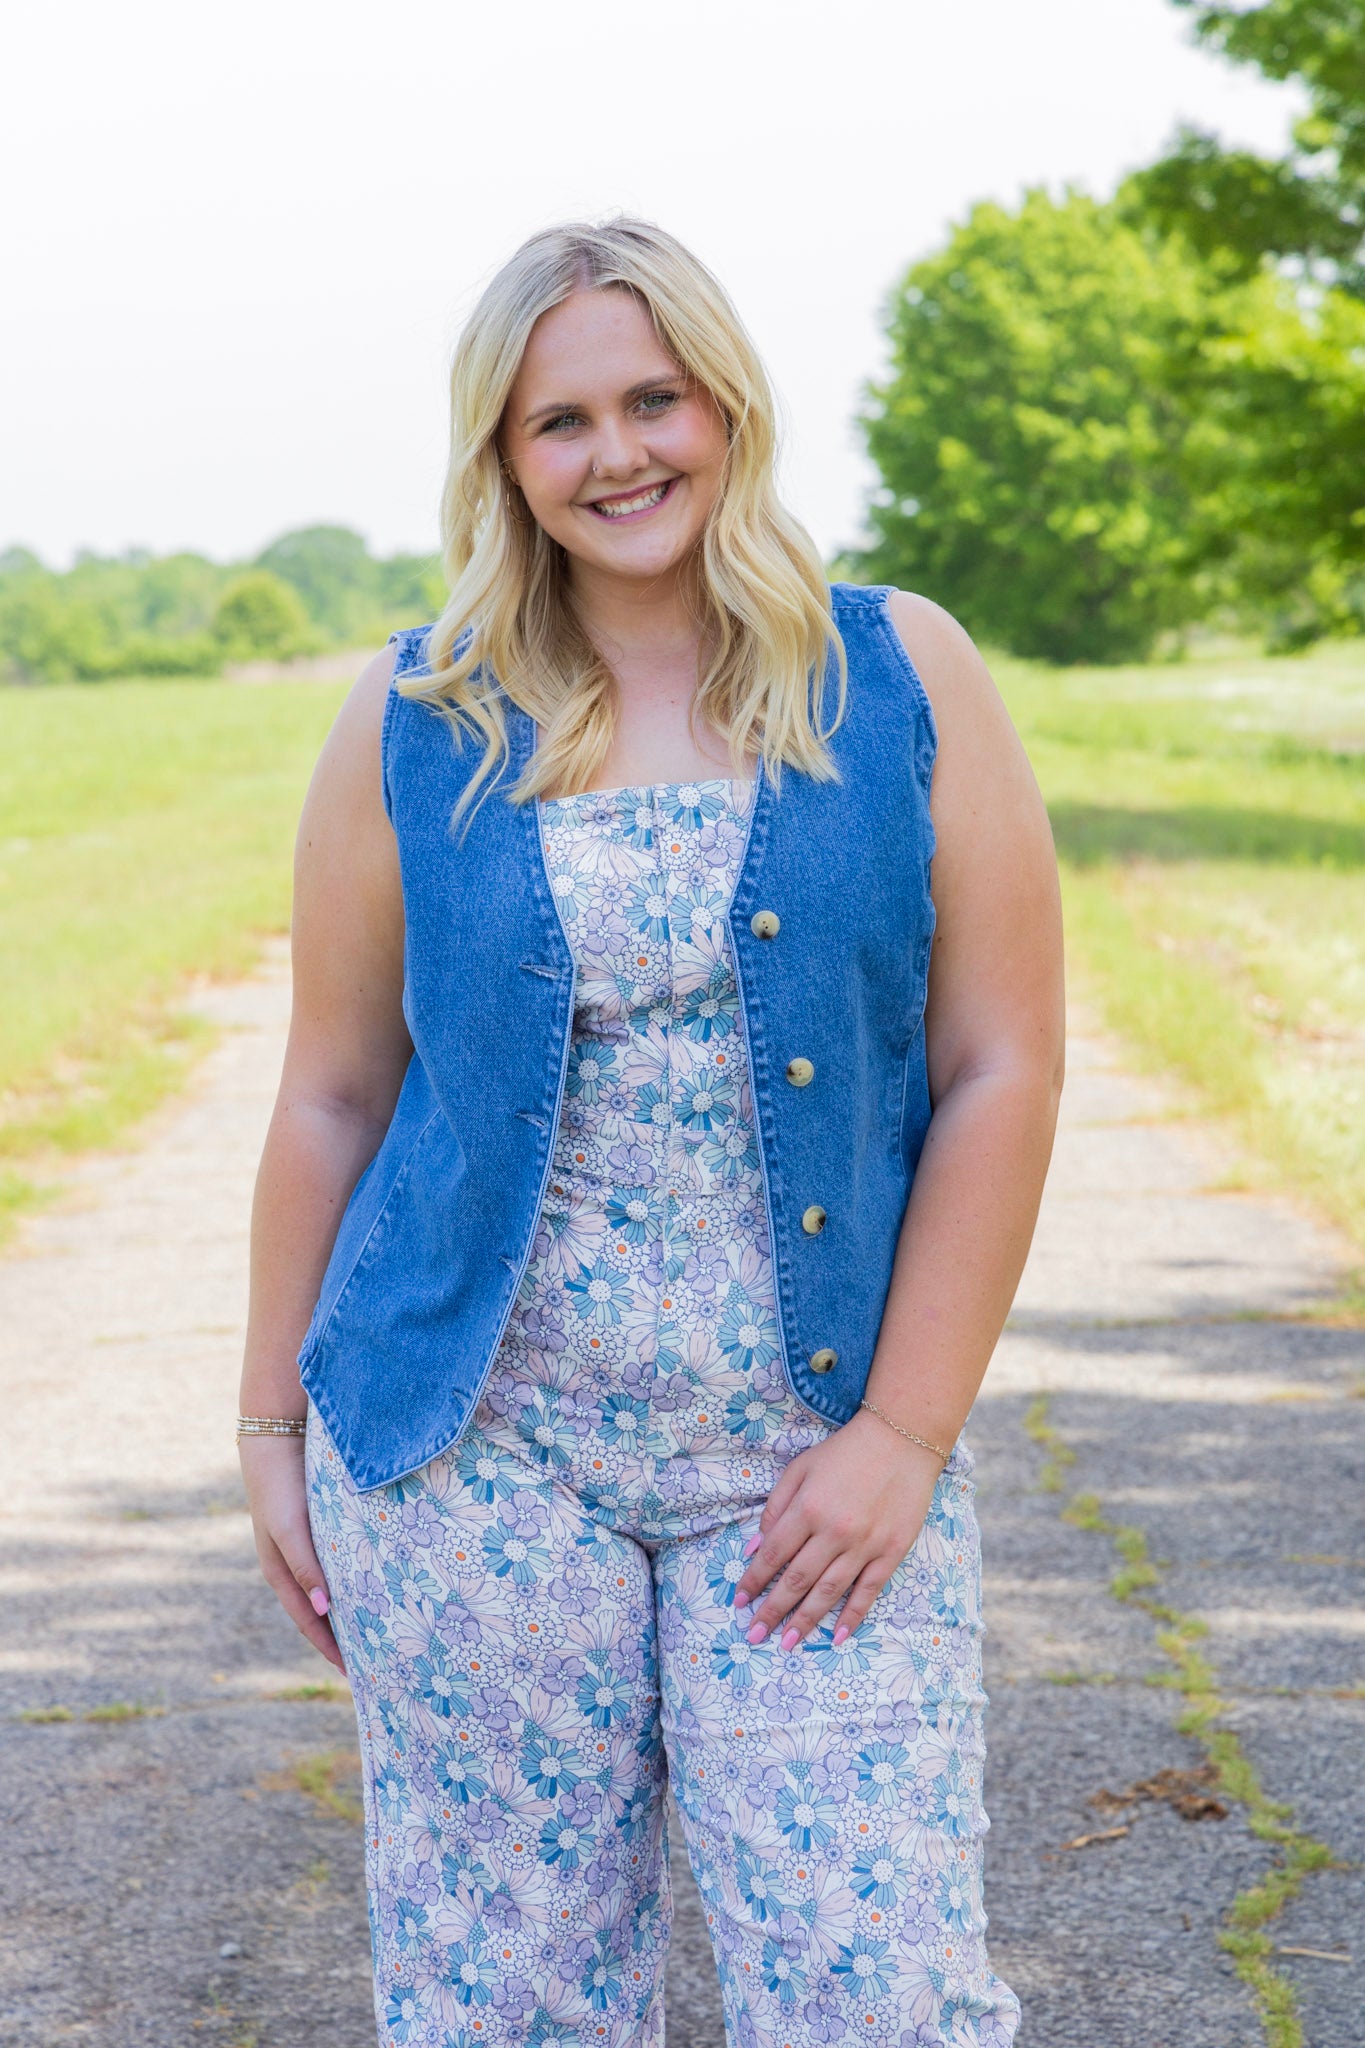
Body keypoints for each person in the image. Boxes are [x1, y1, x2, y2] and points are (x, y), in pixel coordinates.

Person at [238, 214, 1063, 2048]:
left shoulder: (899, 672)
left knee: (877, 1989)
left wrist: (904, 1436)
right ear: (501, 460)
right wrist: (267, 1424)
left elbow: (1001, 1064)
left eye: (653, 400)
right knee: (504, 1999)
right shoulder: (414, 718)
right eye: (560, 423)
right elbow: (332, 1093)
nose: (618, 455)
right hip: (475, 1459)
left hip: (809, 1452)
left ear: (725, 404)